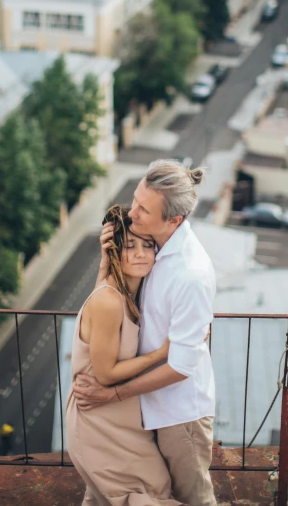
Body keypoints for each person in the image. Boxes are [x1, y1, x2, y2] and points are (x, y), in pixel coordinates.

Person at [72, 160, 217, 506]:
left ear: (174, 220)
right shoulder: (148, 247)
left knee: (192, 498)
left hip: (178, 415)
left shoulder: (190, 274)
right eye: (136, 200)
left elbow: (181, 366)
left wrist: (112, 395)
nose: (132, 212)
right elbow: (108, 307)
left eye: (143, 209)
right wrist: (107, 263)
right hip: (140, 406)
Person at [65, 203, 185, 506]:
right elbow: (104, 373)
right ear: (116, 250)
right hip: (99, 420)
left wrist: (106, 262)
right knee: (144, 494)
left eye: (148, 245)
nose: (142, 253)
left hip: (121, 418)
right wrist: (163, 353)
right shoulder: (109, 299)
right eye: (129, 246)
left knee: (135, 492)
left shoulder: (125, 293)